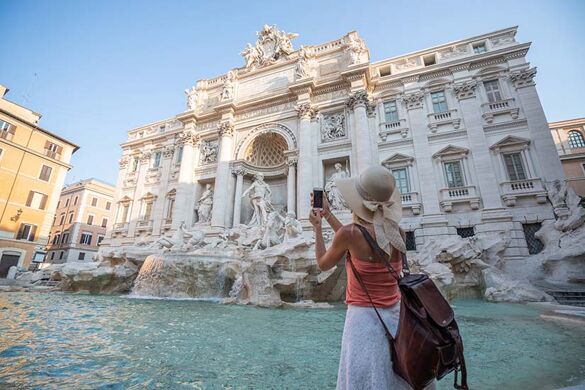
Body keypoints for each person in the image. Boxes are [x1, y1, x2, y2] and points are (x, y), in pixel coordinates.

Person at [309, 165, 433, 390]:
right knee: (396, 376)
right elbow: (356, 237)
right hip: (397, 316)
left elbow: (323, 263)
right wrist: (328, 214)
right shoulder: (398, 232)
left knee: (364, 379)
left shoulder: (351, 235)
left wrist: (317, 227)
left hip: (363, 320)